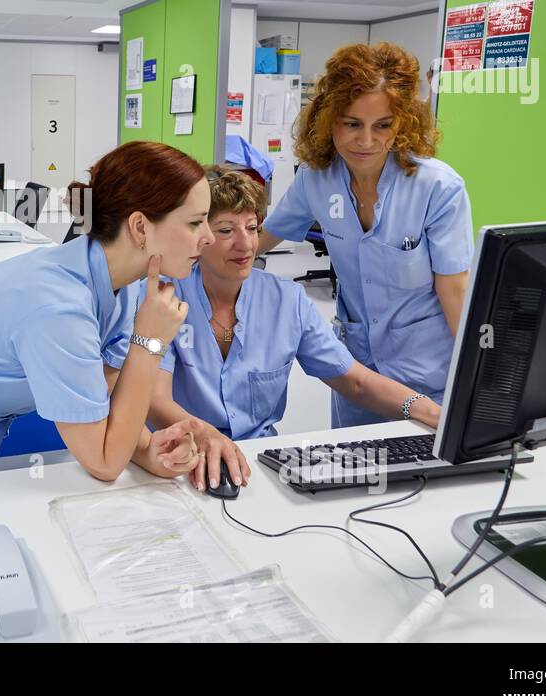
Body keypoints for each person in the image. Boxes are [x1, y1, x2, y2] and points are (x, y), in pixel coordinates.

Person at [0, 141, 217, 483]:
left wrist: (147, 450)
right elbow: (104, 463)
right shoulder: (58, 305)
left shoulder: (123, 283)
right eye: (195, 223)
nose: (208, 238)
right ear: (140, 227)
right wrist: (150, 343)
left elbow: (101, 397)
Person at [126, 167, 441, 494]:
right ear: (198, 236)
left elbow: (354, 380)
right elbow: (155, 399)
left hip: (255, 463)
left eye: (252, 227)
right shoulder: (163, 299)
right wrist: (208, 436)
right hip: (179, 458)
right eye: (226, 230)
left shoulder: (286, 300)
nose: (246, 243)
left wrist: (430, 411)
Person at [257, 42, 473, 429]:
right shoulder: (316, 181)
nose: (367, 141)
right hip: (359, 375)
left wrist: (476, 379)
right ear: (328, 119)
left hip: (429, 374)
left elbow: (455, 291)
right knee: (356, 473)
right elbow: (258, 239)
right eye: (352, 123)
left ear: (404, 122)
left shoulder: (437, 188)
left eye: (383, 125)